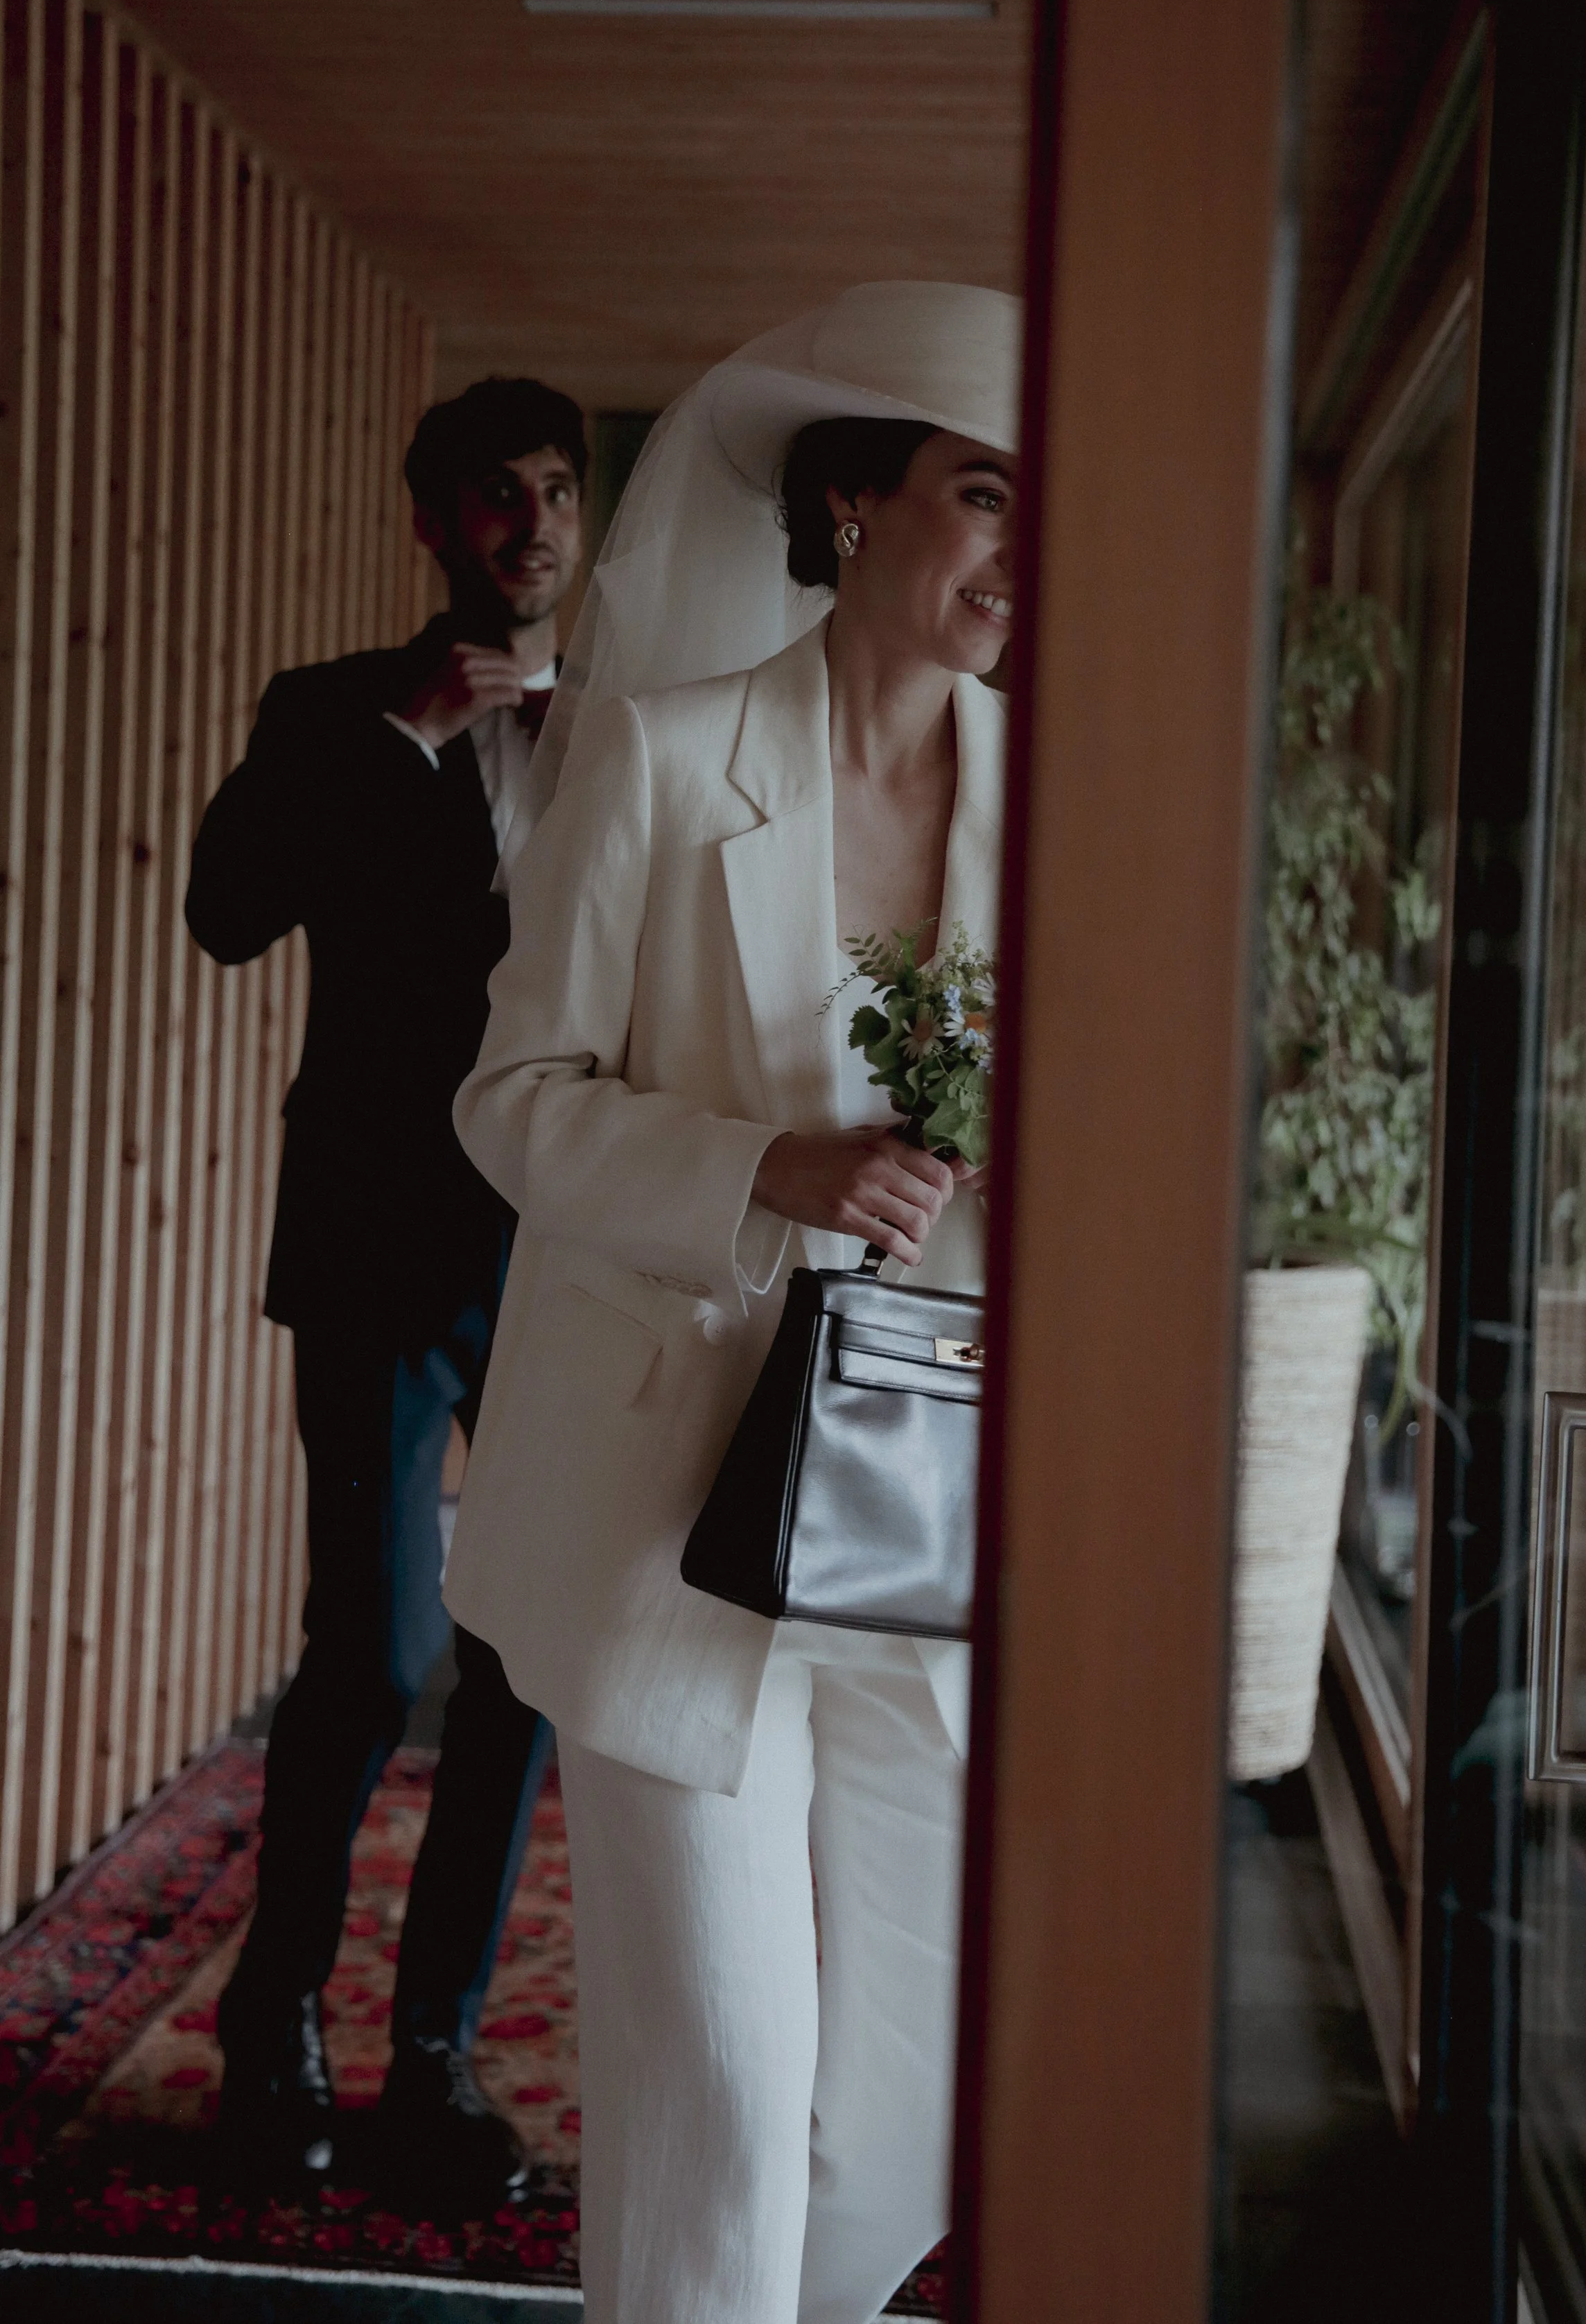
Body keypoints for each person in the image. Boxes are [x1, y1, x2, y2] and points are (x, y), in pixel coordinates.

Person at [444, 283, 1018, 2324]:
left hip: (927, 1525)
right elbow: (511, 1100)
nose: (1020, 558)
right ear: (855, 503)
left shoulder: (1063, 812)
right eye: (982, 496)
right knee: (729, 2096)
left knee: (919, 2126)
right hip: (658, 1524)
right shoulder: (664, 763)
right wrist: (753, 1172)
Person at [184, 376, 587, 2206]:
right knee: (373, 1650)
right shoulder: (331, 708)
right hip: (365, 1243)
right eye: (495, 494)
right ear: (432, 520)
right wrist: (406, 738)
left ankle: (433, 2055)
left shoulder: (635, 729)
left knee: (520, 1660)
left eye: (560, 492)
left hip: (559, 1256)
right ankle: (273, 2024)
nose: (532, 523)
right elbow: (224, 908)